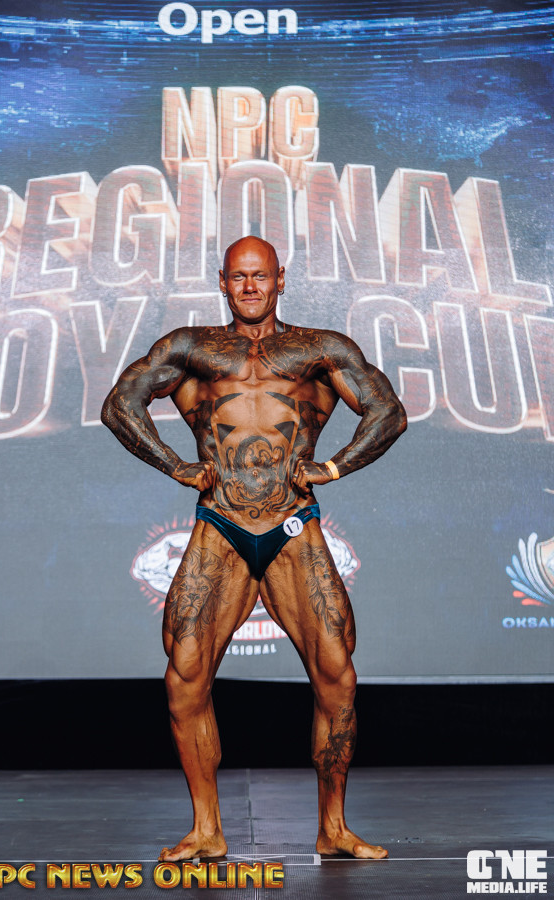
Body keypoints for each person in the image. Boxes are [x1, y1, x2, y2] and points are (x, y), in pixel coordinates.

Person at [101, 236, 407, 862]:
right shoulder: (191, 348)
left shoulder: (320, 349)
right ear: (222, 281)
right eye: (238, 277)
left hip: (294, 527)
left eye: (259, 276)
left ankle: (333, 827)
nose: (249, 287)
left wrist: (335, 467)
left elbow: (388, 412)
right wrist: (176, 466)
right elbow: (120, 405)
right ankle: (206, 829)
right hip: (221, 526)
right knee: (185, 675)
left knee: (337, 677)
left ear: (280, 279)